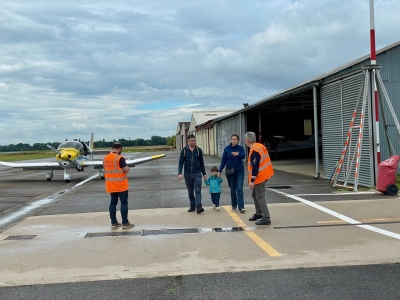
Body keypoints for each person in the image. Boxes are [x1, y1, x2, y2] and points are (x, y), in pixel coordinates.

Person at [244, 131, 274, 225]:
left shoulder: (255, 150)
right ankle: (259, 213)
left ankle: (266, 217)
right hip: (263, 175)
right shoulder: (259, 146)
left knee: (260, 197)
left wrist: (252, 181)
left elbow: (255, 168)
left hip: (260, 177)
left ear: (247, 140)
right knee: (254, 195)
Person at [103, 142, 134, 228]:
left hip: (110, 185)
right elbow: (126, 170)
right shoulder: (119, 158)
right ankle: (125, 222)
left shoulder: (105, 158)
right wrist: (128, 168)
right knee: (124, 203)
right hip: (121, 185)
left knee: (113, 203)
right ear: (119, 148)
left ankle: (114, 222)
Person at [178, 134, 207, 214]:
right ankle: (192, 205)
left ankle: (199, 206)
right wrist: (180, 172)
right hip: (187, 174)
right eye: (191, 141)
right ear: (188, 141)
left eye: (194, 140)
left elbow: (201, 163)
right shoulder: (184, 151)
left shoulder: (198, 150)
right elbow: (181, 162)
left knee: (198, 190)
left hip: (197, 173)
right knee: (190, 191)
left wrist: (204, 173)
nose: (193, 142)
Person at [218, 134, 246, 212]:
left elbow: (244, 156)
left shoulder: (240, 148)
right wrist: (220, 170)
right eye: (232, 139)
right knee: (233, 190)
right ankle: (234, 205)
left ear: (238, 140)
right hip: (230, 172)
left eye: (235, 139)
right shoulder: (227, 149)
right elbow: (223, 160)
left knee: (239, 188)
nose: (233, 141)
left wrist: (238, 154)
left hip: (239, 171)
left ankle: (241, 207)